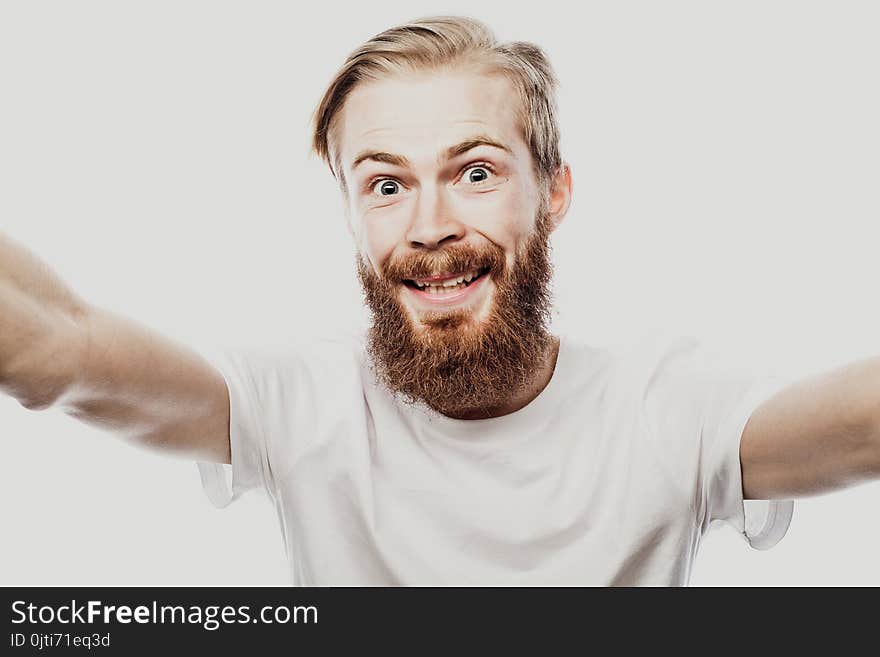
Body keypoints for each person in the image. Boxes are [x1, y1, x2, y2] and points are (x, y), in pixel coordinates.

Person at [2, 15, 879, 586]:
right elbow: (58, 350)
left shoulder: (667, 410)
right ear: (350, 212)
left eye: (476, 172)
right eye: (385, 185)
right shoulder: (300, 404)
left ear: (555, 192)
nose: (430, 225)